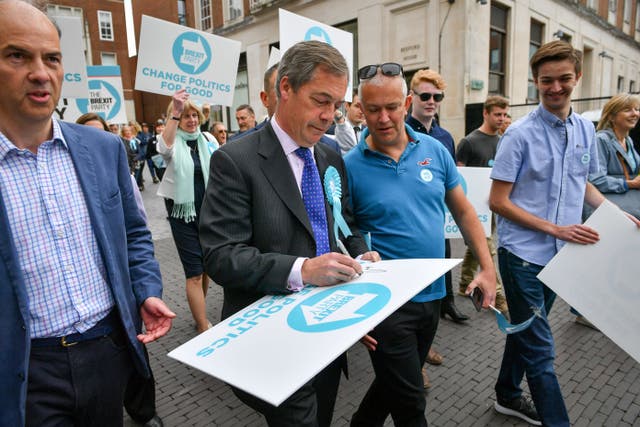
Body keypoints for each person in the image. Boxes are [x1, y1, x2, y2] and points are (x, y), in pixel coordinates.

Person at [0, 2, 175, 426]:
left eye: (52, 58)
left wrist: (146, 289)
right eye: (17, 55)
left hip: (108, 349)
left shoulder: (103, 149)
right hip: (27, 368)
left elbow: (134, 235)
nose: (41, 72)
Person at [199, 40, 379, 427]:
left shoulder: (330, 155)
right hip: (270, 342)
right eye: (320, 100)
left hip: (326, 333)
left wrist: (360, 253)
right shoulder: (235, 160)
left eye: (337, 105)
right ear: (285, 88)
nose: (330, 115)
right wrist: (303, 270)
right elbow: (221, 256)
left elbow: (342, 223)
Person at [345, 63, 496, 427]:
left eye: (392, 107)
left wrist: (488, 269)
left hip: (433, 296)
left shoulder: (434, 150)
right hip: (385, 303)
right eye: (373, 109)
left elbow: (464, 211)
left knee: (392, 383)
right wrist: (351, 307)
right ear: (360, 109)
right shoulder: (348, 164)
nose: (383, 118)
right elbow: (339, 232)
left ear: (407, 102)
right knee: (412, 403)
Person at [489, 40, 610, 426]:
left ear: (577, 77)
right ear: (535, 82)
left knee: (524, 330)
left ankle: (507, 394)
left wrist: (616, 216)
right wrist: (554, 227)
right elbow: (497, 201)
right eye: (546, 81)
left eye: (563, 80)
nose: (555, 88)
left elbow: (583, 185)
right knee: (541, 352)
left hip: (561, 256)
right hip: (521, 256)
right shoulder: (518, 135)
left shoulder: (585, 130)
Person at [75, 113, 164, 427]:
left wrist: (146, 289)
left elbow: (136, 229)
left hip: (117, 301)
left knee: (135, 356)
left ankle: (144, 411)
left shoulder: (113, 159)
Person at [406, 69, 469, 324]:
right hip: (409, 217)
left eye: (438, 96)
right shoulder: (400, 131)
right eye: (425, 95)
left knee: (443, 257)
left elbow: (451, 179)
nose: (432, 101)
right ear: (411, 97)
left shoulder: (444, 137)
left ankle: (448, 302)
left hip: (437, 215)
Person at [156, 90, 218, 333]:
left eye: (195, 115)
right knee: (194, 272)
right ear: (179, 119)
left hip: (209, 212)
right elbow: (164, 146)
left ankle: (198, 313)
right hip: (183, 215)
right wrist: (176, 111)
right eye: (186, 116)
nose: (191, 120)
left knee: (205, 271)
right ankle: (203, 326)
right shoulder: (173, 143)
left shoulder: (208, 140)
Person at [456, 95, 509, 314]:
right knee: (488, 249)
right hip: (475, 209)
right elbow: (459, 177)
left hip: (496, 206)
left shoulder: (504, 141)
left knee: (475, 247)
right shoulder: (469, 142)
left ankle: (463, 283)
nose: (502, 119)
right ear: (485, 113)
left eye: (505, 115)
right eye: (497, 114)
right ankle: (497, 295)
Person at [586, 93, 640, 219]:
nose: (635, 114)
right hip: (608, 212)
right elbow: (596, 180)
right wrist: (629, 184)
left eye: (636, 109)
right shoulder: (601, 140)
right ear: (611, 116)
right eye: (627, 110)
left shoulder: (628, 141)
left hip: (626, 210)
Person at [333, 89, 366, 155]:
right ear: (347, 106)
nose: (361, 111)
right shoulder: (331, 131)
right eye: (357, 106)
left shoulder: (368, 133)